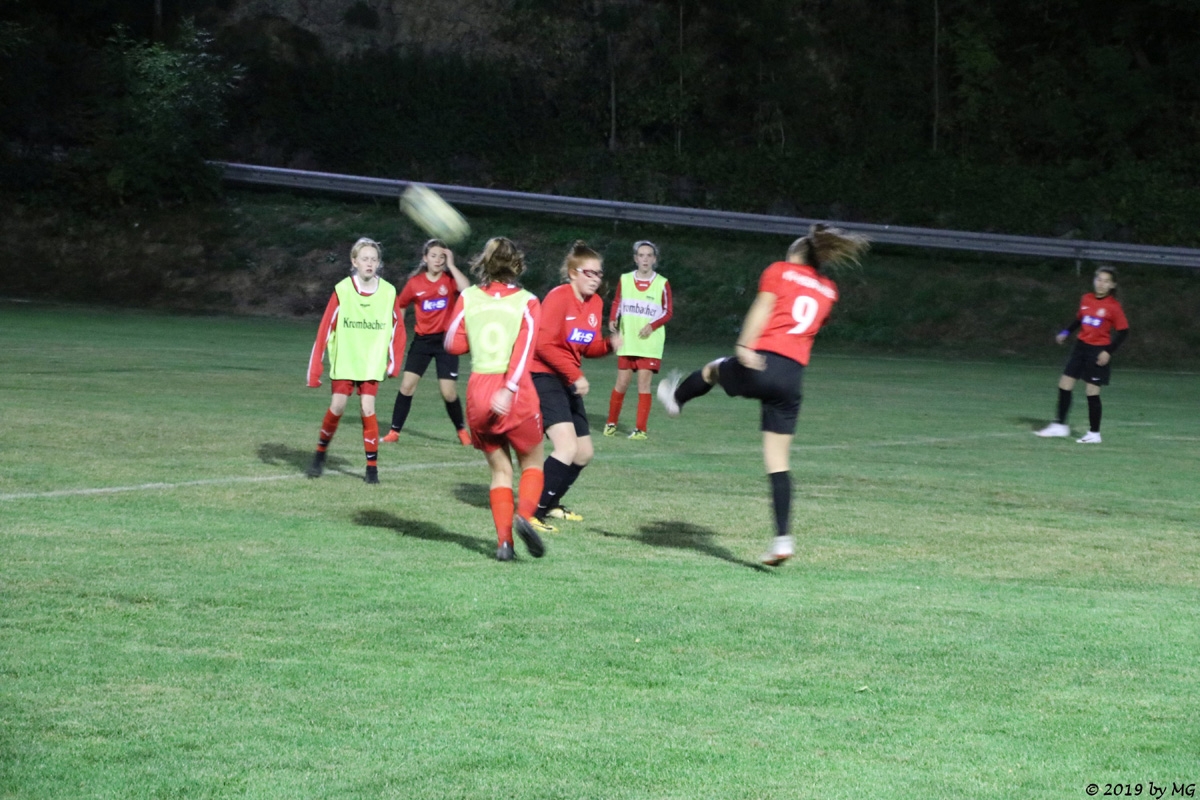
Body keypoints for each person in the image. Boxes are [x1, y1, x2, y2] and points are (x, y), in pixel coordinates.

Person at [656, 224, 868, 566]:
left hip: (761, 363)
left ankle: (676, 399)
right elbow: (812, 324)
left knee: (713, 369)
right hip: (791, 378)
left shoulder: (779, 271)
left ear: (796, 255)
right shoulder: (829, 289)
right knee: (778, 462)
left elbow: (763, 307)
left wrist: (744, 345)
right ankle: (782, 539)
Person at [443, 237, 546, 561]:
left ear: (484, 264)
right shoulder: (527, 301)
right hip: (513, 391)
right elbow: (524, 350)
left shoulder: (469, 297)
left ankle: (504, 544)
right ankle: (524, 517)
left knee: (500, 472)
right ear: (516, 264)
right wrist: (509, 388)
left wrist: (477, 334)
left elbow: (451, 342)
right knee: (532, 463)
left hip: (478, 392)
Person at [528, 241, 623, 532]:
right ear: (572, 273)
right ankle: (531, 511)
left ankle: (551, 503)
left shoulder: (595, 304)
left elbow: (586, 345)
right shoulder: (558, 297)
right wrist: (575, 375)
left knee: (583, 453)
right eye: (589, 273)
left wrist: (608, 345)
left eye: (599, 274)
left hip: (566, 378)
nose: (595, 279)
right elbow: (543, 345)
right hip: (544, 375)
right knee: (566, 447)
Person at [305, 237, 404, 484]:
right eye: (364, 259)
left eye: (374, 259)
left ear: (378, 263)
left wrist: (394, 362)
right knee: (337, 407)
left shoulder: (388, 292)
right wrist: (315, 369)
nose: (369, 263)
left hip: (371, 362)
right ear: (354, 262)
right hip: (346, 360)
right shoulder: (343, 290)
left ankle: (372, 469)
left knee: (367, 409)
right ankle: (320, 453)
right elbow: (325, 328)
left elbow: (398, 329)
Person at [383, 239, 472, 446]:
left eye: (442, 257)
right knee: (407, 386)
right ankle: (394, 432)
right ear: (425, 258)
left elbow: (467, 289)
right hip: (422, 341)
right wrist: (398, 329)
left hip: (445, 343)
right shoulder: (415, 283)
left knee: (448, 392)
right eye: (433, 256)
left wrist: (452, 265)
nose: (437, 260)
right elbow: (401, 304)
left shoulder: (450, 281)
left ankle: (461, 431)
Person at [1034, 265, 1129, 444]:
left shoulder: (1113, 306)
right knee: (1064, 384)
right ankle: (1060, 425)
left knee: (1091, 391)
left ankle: (1094, 433)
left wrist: (1108, 351)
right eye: (1099, 279)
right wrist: (1066, 332)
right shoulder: (1086, 298)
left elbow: (1123, 331)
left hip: (1097, 351)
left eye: (1106, 281)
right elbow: (1079, 319)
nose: (1101, 284)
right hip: (1080, 348)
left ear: (1112, 285)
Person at [604, 240, 674, 440]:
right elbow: (618, 301)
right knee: (621, 383)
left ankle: (640, 430)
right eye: (641, 255)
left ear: (654, 259)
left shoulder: (661, 283)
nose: (645, 259)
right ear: (635, 258)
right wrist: (612, 318)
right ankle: (611, 423)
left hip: (649, 343)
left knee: (644, 385)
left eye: (649, 255)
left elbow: (668, 311)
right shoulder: (625, 279)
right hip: (628, 341)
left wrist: (652, 325)